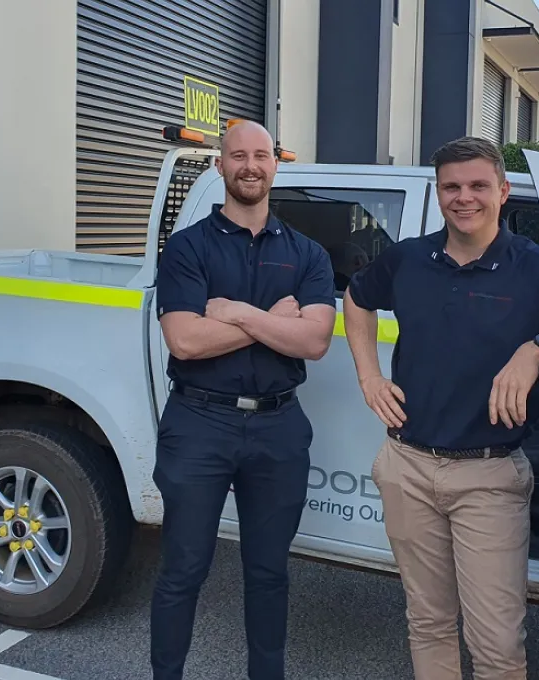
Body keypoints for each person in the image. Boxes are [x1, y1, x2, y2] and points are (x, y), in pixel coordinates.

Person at [341, 136, 539, 680]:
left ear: (503, 192)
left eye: (478, 185)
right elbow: (356, 299)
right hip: (407, 467)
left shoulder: (537, 267)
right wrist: (368, 375)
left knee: (496, 646)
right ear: (439, 194)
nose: (465, 198)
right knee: (428, 621)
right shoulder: (409, 259)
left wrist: (538, 347)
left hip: (488, 476)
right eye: (452, 187)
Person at [151, 120, 337, 680]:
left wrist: (235, 314)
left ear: (276, 164)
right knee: (183, 569)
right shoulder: (187, 248)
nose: (250, 165)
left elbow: (316, 340)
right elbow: (184, 339)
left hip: (279, 427)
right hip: (198, 423)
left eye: (261, 155)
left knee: (268, 572)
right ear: (219, 166)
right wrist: (273, 321)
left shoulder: (308, 254)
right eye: (238, 156)